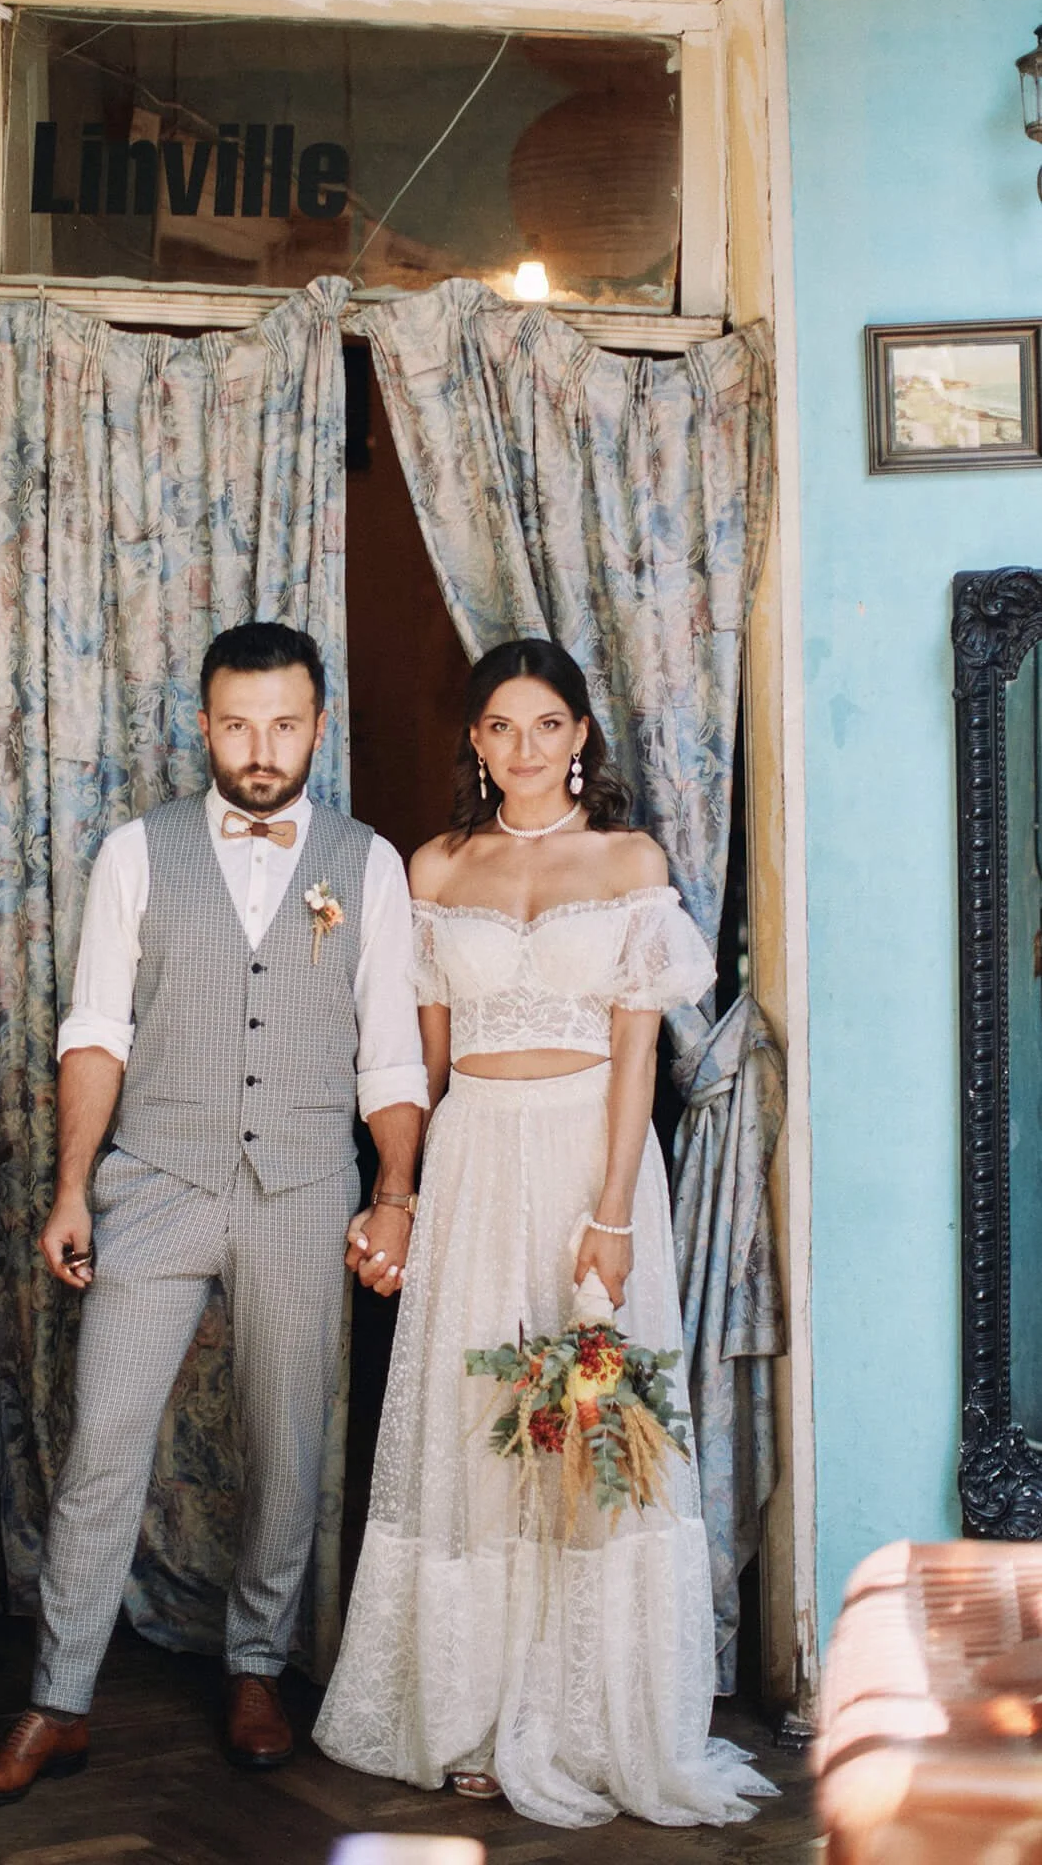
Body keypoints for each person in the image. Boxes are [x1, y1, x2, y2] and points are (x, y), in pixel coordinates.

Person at [0, 621, 427, 1807]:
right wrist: (71, 1185)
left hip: (306, 1190)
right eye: (235, 722)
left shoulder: (367, 864)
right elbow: (95, 1031)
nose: (259, 747)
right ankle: (57, 1700)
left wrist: (394, 1194)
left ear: (318, 723)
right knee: (101, 1445)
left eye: (283, 722)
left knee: (285, 1447)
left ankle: (257, 1667)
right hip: (153, 1182)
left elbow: (393, 1058)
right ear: (202, 722)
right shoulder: (136, 853)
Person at [313, 637, 774, 1829]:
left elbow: (635, 1060)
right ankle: (468, 1710)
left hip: (585, 1156)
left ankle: (585, 1714)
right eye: (500, 726)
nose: (523, 747)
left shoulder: (628, 861)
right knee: (478, 1427)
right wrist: (393, 1189)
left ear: (581, 738)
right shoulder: (433, 866)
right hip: (471, 1155)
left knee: (585, 1427)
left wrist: (611, 1214)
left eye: (546, 725)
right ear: (474, 739)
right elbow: (416, 1058)